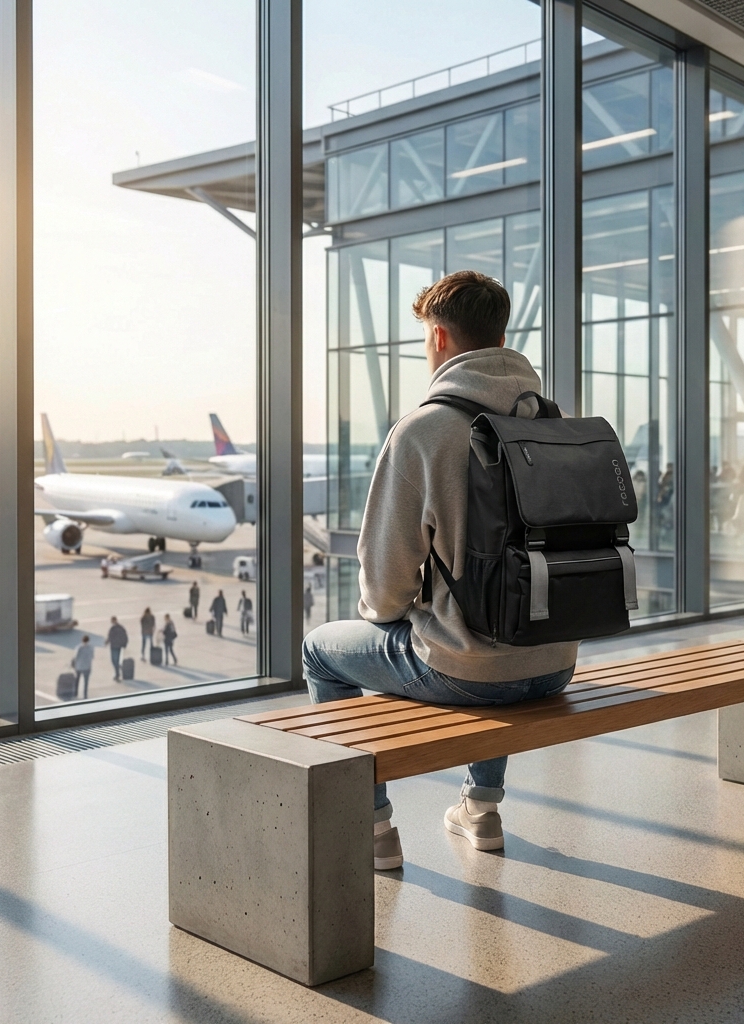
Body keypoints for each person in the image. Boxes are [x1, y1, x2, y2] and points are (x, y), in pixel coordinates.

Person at [303, 270, 578, 873]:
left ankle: (371, 826)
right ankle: (481, 810)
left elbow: (384, 583)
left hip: (470, 674)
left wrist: (396, 614)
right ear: (499, 336)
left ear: (440, 338)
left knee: (320, 650)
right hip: (555, 662)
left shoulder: (424, 430)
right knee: (496, 627)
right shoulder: (549, 422)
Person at [106, 616, 128, 682]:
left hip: (114, 646)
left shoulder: (112, 628)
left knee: (114, 660)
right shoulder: (121, 627)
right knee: (117, 660)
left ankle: (117, 673)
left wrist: (107, 642)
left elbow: (110, 637)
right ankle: (118, 671)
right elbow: (125, 636)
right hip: (119, 646)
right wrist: (124, 644)